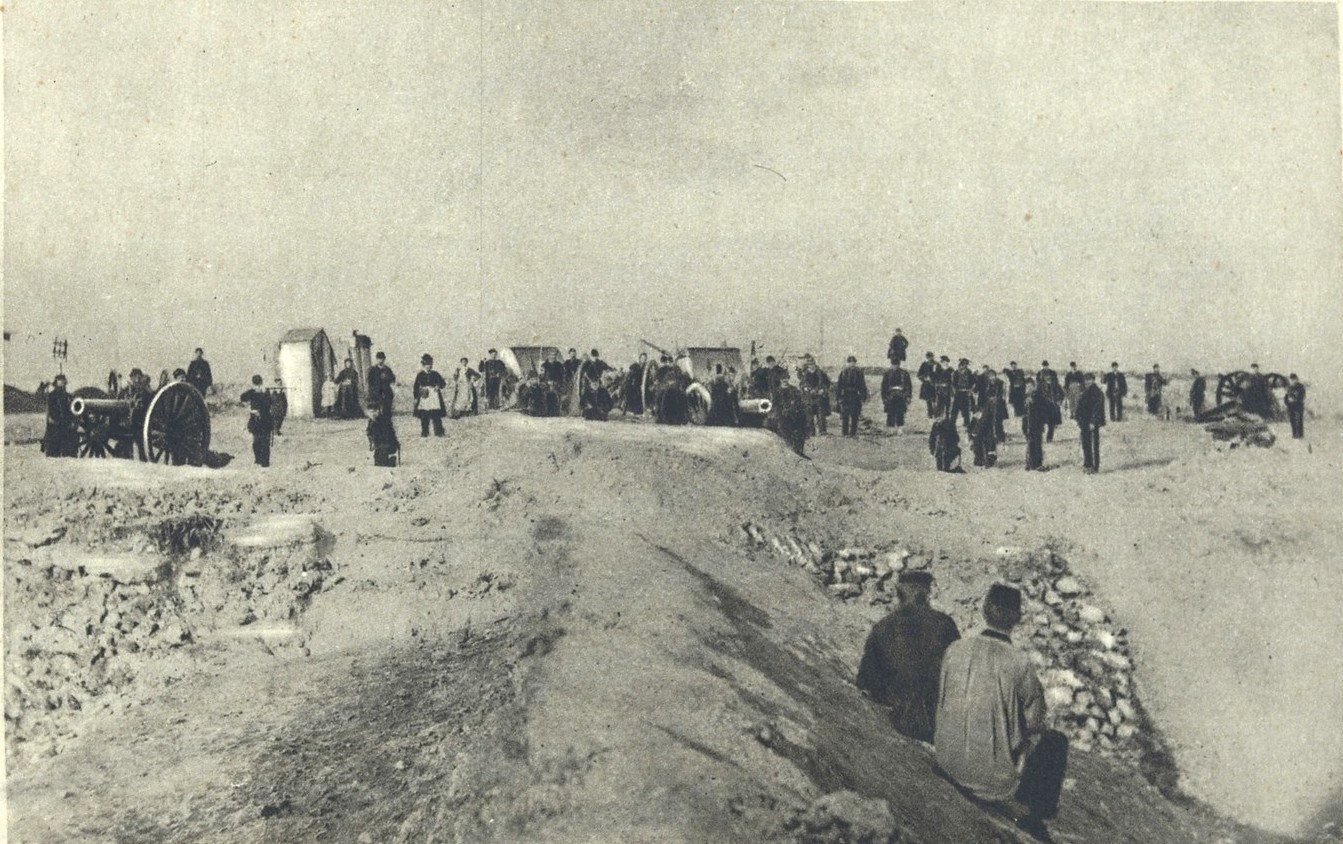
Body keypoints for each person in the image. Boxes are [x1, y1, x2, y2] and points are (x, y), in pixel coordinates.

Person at [935, 584, 1068, 842]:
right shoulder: (1020, 663)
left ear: (985, 608)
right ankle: (1034, 819)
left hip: (946, 762)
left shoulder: (956, 649)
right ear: (1017, 618)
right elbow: (1035, 722)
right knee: (1055, 742)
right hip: (991, 784)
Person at [856, 571, 960, 743]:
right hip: (938, 723)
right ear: (926, 594)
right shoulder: (945, 625)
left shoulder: (882, 628)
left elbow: (866, 683)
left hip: (900, 720)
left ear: (898, 593)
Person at [765, 372, 809, 456]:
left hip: (794, 415)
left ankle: (799, 450)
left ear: (788, 379)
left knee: (801, 427)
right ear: (780, 380)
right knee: (784, 429)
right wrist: (780, 412)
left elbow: (800, 402)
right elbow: (774, 405)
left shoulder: (794, 390)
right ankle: (791, 449)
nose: (784, 380)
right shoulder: (776, 392)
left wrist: (795, 408)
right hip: (783, 416)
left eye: (786, 378)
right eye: (782, 379)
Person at [1075, 372, 1106, 474]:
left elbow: (1097, 409)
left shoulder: (1097, 392)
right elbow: (1080, 406)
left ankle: (1094, 467)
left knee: (1093, 445)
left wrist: (1093, 422)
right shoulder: (1085, 391)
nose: (1087, 382)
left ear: (1093, 380)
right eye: (1086, 380)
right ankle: (1087, 464)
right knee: (1086, 444)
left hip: (1092, 423)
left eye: (1089, 380)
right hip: (1084, 422)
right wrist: (1078, 419)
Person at [240, 375, 274, 467]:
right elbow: (242, 397)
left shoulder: (266, 393)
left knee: (265, 442)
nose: (258, 386)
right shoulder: (252, 393)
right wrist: (252, 391)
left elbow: (270, 403)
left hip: (265, 419)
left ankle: (265, 462)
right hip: (256, 421)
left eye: (259, 384)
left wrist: (266, 392)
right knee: (256, 442)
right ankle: (258, 460)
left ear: (261, 383)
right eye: (256, 384)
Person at [42, 374, 77, 457]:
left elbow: (72, 410)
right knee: (53, 449)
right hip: (55, 424)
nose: (61, 383)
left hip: (66, 424)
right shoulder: (51, 396)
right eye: (59, 381)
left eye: (63, 381)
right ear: (56, 383)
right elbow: (49, 409)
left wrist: (72, 421)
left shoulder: (68, 396)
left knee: (68, 449)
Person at [413, 354, 447, 437]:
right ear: (423, 365)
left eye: (430, 365)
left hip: (434, 396)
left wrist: (438, 386)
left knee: (436, 414)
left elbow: (443, 383)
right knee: (425, 414)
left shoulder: (435, 374)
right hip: (424, 396)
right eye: (426, 365)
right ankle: (425, 432)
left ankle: (439, 432)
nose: (428, 366)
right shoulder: (420, 375)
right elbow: (415, 386)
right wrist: (416, 397)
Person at [797, 356, 831, 436]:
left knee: (821, 415)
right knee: (809, 416)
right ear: (807, 366)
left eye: (812, 364)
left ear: (815, 364)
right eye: (809, 365)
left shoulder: (821, 373)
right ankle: (811, 432)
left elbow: (827, 384)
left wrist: (823, 390)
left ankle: (822, 431)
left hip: (819, 397)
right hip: (809, 398)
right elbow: (801, 384)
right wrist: (804, 388)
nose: (811, 366)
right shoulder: (804, 374)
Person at [836, 355, 868, 437]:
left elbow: (862, 385)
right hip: (846, 395)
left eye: (853, 363)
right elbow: (839, 385)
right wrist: (838, 396)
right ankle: (845, 432)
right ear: (848, 363)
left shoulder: (859, 372)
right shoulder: (843, 373)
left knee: (855, 415)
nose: (852, 364)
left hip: (855, 395)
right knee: (845, 415)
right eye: (850, 363)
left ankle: (853, 433)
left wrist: (863, 395)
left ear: (855, 363)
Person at [880, 359, 912, 434]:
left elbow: (909, 386)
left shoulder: (904, 373)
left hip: (901, 395)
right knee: (890, 412)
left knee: (900, 411)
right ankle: (890, 429)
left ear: (899, 364)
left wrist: (908, 396)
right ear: (891, 364)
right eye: (894, 364)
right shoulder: (887, 373)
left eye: (897, 364)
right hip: (890, 395)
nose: (895, 366)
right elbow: (883, 386)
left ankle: (900, 429)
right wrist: (884, 397)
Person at [1022, 378, 1046, 471]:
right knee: (1030, 443)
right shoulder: (1025, 397)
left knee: (1037, 443)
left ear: (1034, 386)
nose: (1028, 388)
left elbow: (1042, 409)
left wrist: (1033, 402)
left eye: (1030, 386)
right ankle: (1030, 462)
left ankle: (1038, 463)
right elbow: (1023, 412)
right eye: (1027, 386)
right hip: (1027, 424)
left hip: (1036, 424)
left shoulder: (1038, 396)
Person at [367, 401, 400, 467]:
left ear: (378, 411)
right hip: (379, 445)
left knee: (383, 463)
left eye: (374, 411)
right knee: (377, 463)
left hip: (387, 444)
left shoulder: (383, 421)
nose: (373, 414)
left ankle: (392, 460)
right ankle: (386, 458)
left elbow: (388, 434)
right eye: (371, 412)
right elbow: (369, 433)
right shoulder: (371, 422)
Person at [367, 352, 396, 417]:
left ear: (384, 359)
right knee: (376, 408)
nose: (380, 360)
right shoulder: (373, 370)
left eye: (382, 359)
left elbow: (392, 379)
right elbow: (370, 381)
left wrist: (388, 379)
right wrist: (372, 390)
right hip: (376, 390)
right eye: (378, 359)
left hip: (386, 390)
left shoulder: (387, 369)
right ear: (376, 359)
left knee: (387, 407)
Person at [951, 359, 975, 429]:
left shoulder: (969, 372)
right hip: (958, 392)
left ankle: (967, 423)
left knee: (966, 409)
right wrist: (954, 391)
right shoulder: (955, 373)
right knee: (955, 408)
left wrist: (970, 390)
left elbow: (972, 382)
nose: (964, 366)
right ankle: (952, 422)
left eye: (965, 365)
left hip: (966, 393)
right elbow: (953, 383)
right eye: (962, 364)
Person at [917, 352, 939, 419]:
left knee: (935, 399)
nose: (930, 358)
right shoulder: (924, 364)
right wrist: (925, 378)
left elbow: (939, 374)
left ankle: (935, 413)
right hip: (926, 385)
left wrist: (935, 380)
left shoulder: (936, 364)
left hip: (934, 384)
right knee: (928, 400)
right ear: (927, 357)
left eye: (931, 357)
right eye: (928, 357)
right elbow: (919, 375)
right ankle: (930, 413)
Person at [1284, 373, 1306, 439]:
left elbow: (1302, 396)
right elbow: (1286, 396)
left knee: (1299, 420)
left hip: (1298, 405)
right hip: (1291, 406)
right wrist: (1287, 402)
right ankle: (1294, 434)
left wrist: (1294, 399)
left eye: (1294, 379)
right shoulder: (1289, 387)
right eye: (1291, 380)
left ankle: (1300, 434)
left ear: (1297, 379)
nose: (1293, 381)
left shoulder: (1300, 386)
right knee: (1292, 420)